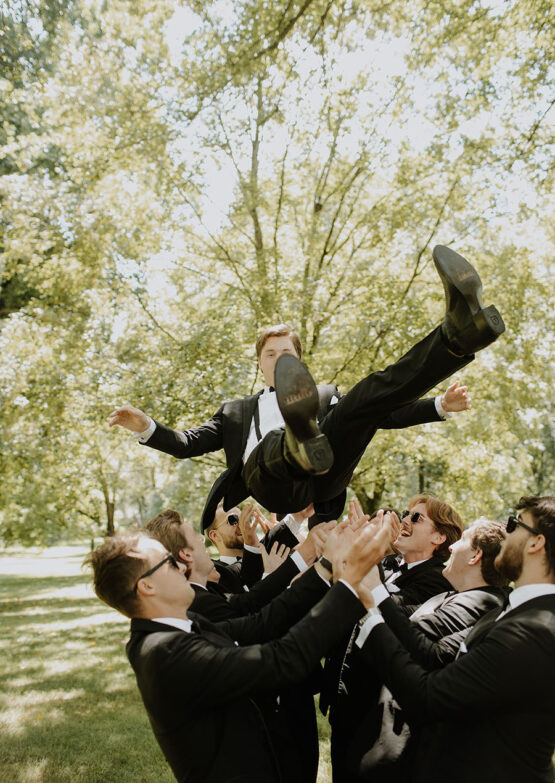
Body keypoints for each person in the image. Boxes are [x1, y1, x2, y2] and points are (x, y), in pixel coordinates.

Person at [109, 246, 500, 528]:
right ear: (260, 364)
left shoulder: (325, 397)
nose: (278, 358)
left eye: (286, 353)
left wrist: (439, 406)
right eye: (270, 354)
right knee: (269, 454)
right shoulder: (234, 413)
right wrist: (145, 426)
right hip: (273, 488)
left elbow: (384, 412)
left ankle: (459, 334)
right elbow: (186, 444)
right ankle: (296, 444)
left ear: (299, 362)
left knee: (364, 397)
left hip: (325, 480)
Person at [85, 521, 391, 783]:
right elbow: (281, 660)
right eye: (168, 562)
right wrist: (350, 583)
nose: (182, 565)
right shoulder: (165, 654)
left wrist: (326, 565)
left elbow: (260, 624)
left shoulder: (183, 624)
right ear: (147, 587)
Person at [354, 495, 555, 783]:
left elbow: (429, 697)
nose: (507, 533)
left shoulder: (533, 631)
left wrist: (372, 605)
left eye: (516, 524)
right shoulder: (513, 612)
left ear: (536, 543)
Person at [344, 517, 509, 782]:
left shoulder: (481, 600)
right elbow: (399, 616)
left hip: (405, 743)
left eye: (463, 541)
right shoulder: (452, 595)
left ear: (475, 555)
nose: (453, 548)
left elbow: (417, 642)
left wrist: (374, 590)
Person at [322, 495, 463, 779]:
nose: (403, 521)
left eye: (416, 517)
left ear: (438, 536)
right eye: (405, 513)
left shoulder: (437, 579)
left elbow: (389, 610)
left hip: (376, 712)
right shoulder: (388, 565)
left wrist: (367, 551)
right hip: (345, 701)